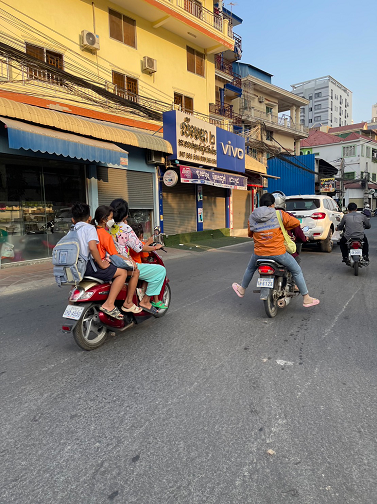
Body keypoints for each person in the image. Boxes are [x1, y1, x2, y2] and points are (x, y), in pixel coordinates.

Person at [232, 192, 319, 308]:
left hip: (259, 253)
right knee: (296, 270)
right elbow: (296, 223)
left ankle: (242, 289)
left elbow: (250, 233)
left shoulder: (252, 216)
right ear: (273, 204)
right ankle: (306, 298)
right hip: (278, 253)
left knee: (250, 268)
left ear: (260, 204)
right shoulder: (279, 214)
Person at [110, 198, 167, 316]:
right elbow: (139, 248)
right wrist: (155, 247)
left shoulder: (107, 227)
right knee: (160, 270)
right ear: (125, 215)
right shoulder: (125, 229)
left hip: (109, 263)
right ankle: (145, 301)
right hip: (124, 263)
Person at [71, 202, 127, 320]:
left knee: (74, 286)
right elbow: (92, 247)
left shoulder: (72, 230)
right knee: (122, 273)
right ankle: (109, 304)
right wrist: (101, 264)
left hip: (74, 268)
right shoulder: (90, 228)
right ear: (89, 218)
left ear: (73, 219)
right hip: (88, 267)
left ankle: (71, 308)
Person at [92, 205, 142, 314]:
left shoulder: (92, 230)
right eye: (110, 218)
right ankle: (126, 303)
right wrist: (130, 261)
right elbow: (115, 254)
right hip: (102, 264)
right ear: (104, 220)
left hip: (92, 264)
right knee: (134, 272)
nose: (112, 220)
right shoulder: (105, 235)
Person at [129, 223, 167, 309]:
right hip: (134, 266)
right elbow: (143, 253)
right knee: (160, 271)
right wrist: (151, 244)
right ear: (140, 235)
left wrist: (146, 242)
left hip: (129, 265)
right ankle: (146, 301)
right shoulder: (135, 244)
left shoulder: (126, 239)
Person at [272, 191, 307, 263]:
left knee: (250, 269)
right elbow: (298, 232)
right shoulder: (288, 216)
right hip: (283, 249)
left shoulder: (264, 216)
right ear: (283, 203)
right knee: (297, 271)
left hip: (264, 250)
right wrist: (304, 239)